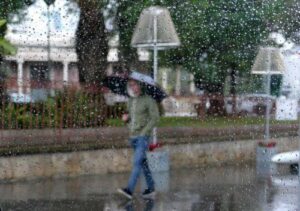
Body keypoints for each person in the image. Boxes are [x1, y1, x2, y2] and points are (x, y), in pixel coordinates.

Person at [117, 79, 160, 199]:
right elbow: (131, 119)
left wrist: (144, 133)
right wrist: (126, 120)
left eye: (135, 84)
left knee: (136, 163)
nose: (132, 87)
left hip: (143, 138)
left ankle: (129, 190)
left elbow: (155, 118)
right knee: (143, 164)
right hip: (133, 137)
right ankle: (151, 188)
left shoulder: (148, 100)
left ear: (140, 85)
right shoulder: (130, 101)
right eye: (130, 85)